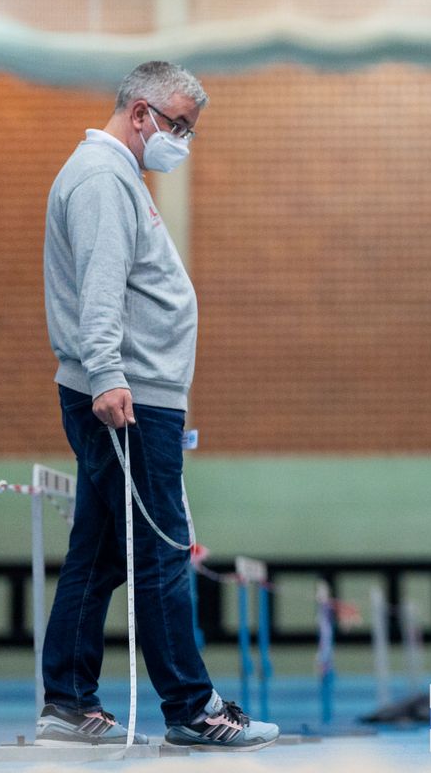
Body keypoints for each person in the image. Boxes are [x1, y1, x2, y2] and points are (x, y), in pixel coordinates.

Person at [39, 62, 278, 749]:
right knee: (163, 547)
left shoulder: (116, 177)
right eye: (178, 127)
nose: (182, 142)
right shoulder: (102, 177)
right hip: (126, 397)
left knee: (103, 549)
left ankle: (67, 700)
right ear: (140, 114)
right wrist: (110, 375)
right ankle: (191, 708)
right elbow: (101, 286)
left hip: (132, 392)